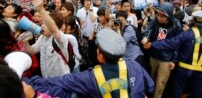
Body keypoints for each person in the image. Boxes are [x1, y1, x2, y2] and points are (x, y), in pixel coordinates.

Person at [24, 29, 154, 98]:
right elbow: (150, 86)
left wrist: (29, 82)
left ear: (101, 56)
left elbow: (60, 81)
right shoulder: (133, 64)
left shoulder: (90, 77)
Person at [144, 10, 202, 98]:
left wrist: (153, 44)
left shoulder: (187, 34)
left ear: (193, 20)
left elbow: (170, 43)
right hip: (200, 70)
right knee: (197, 89)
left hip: (184, 68)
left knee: (178, 88)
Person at [22, 0, 70, 78]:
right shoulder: (42, 37)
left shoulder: (60, 38)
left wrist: (41, 9)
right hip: (46, 79)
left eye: (45, 24)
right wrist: (25, 42)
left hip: (61, 80)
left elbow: (53, 29)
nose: (42, 26)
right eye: (42, 24)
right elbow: (32, 51)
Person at [141, 2, 182, 98]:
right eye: (158, 14)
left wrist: (173, 60)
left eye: (163, 16)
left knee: (161, 82)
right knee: (152, 78)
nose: (159, 17)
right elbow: (149, 30)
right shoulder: (155, 21)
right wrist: (146, 37)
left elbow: (177, 44)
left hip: (166, 58)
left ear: (169, 16)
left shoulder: (176, 24)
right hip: (154, 55)